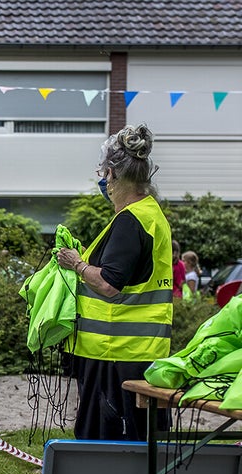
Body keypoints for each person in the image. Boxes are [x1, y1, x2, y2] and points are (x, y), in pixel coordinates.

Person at [56, 124, 172, 441]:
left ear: (113, 174)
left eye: (105, 174)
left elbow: (109, 283)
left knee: (107, 439)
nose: (104, 182)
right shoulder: (151, 214)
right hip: (140, 353)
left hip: (115, 354)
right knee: (141, 441)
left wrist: (76, 264)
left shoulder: (129, 219)